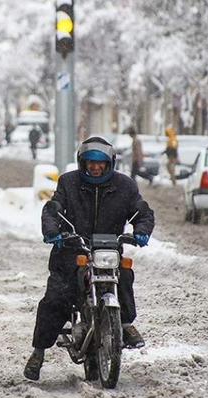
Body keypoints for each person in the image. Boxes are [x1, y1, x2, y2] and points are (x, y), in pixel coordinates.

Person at [23, 136, 155, 381]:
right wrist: (53, 231)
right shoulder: (68, 183)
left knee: (124, 274)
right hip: (71, 253)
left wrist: (141, 231)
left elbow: (142, 211)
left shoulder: (125, 186)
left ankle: (124, 325)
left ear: (110, 163)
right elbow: (54, 209)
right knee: (56, 298)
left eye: (101, 163)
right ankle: (38, 352)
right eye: (90, 162)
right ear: (82, 162)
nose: (95, 167)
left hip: (108, 251)